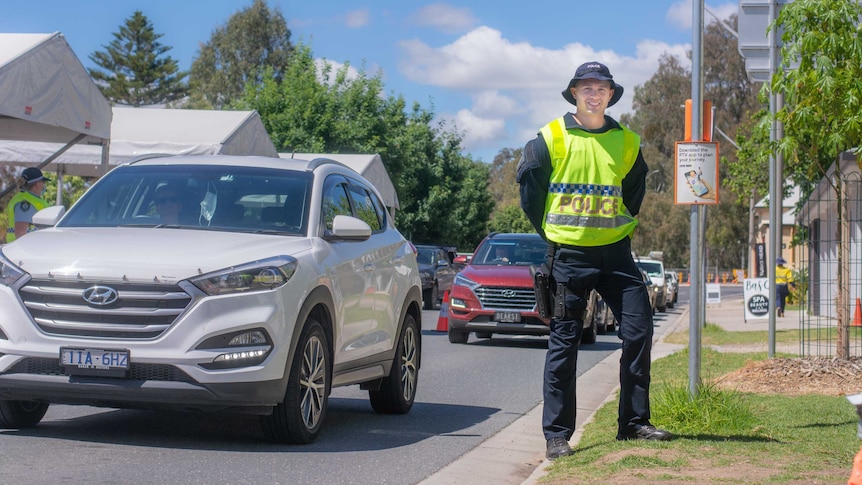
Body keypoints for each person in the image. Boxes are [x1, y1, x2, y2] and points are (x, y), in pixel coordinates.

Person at [517, 61, 671, 461]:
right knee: (565, 342)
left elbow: (634, 192)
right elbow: (530, 194)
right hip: (567, 255)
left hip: (616, 253)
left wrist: (618, 227)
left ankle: (634, 423)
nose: (593, 93)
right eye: (585, 87)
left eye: (600, 88)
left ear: (610, 95)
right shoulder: (549, 138)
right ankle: (557, 436)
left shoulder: (627, 141)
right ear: (573, 93)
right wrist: (551, 233)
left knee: (638, 331)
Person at [6, 167, 50, 243]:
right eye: (43, 182)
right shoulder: (25, 202)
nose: (44, 185)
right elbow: (20, 233)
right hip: (24, 250)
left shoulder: (27, 198)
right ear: (37, 183)